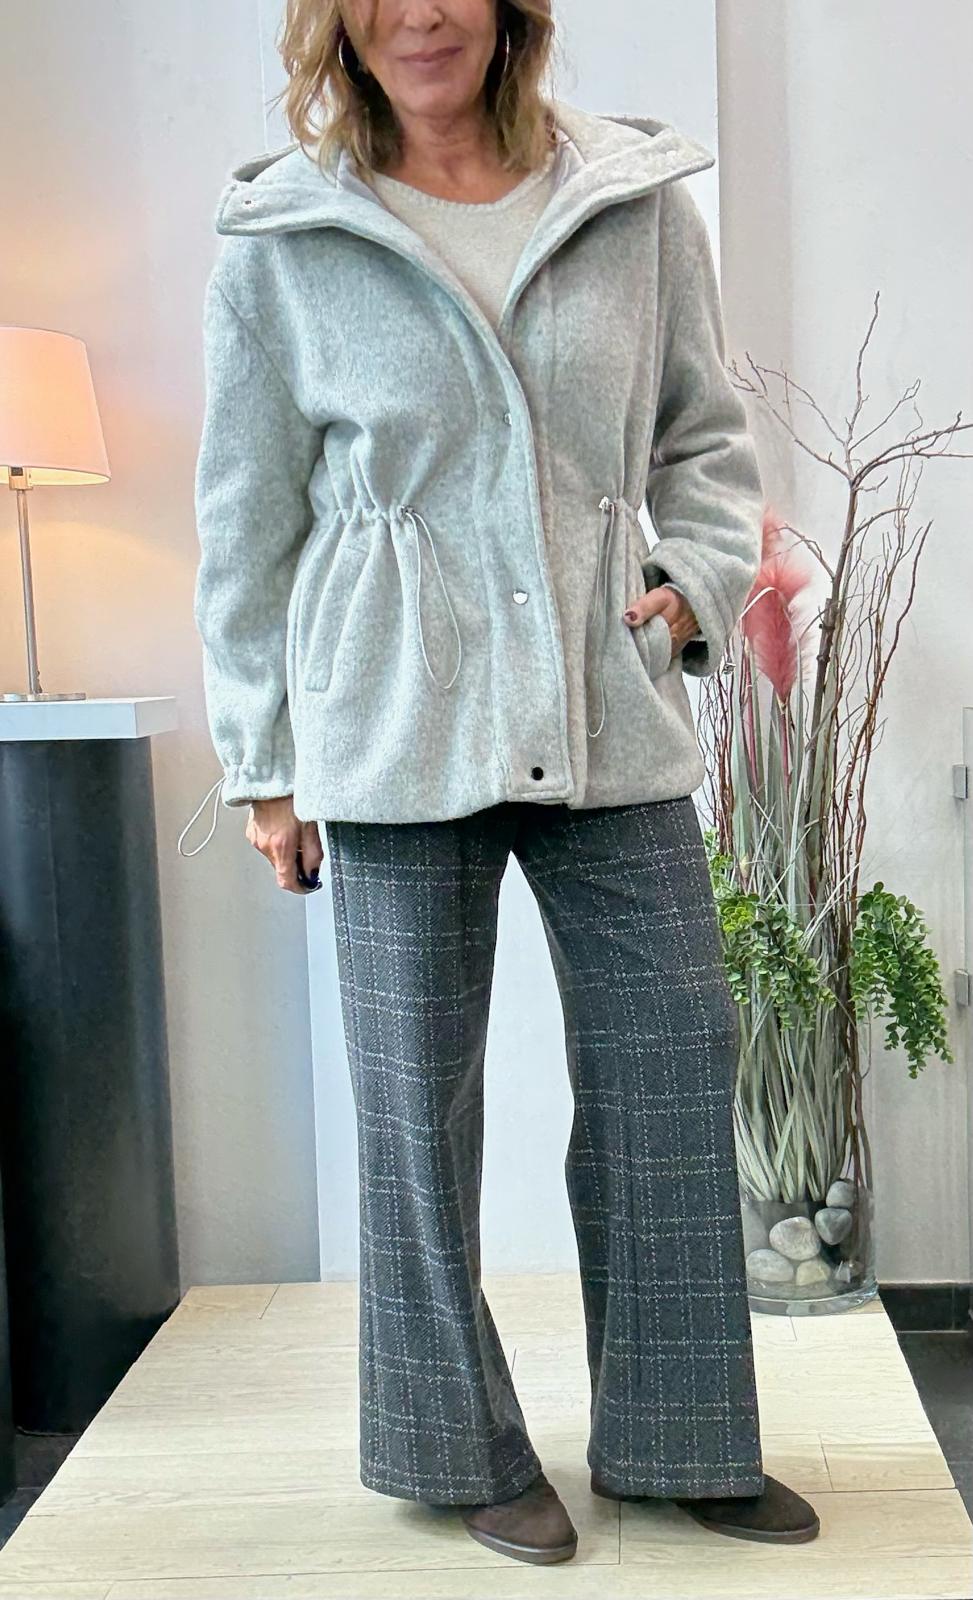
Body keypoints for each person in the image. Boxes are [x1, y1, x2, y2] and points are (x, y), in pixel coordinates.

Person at [177, 0, 821, 1567]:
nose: (421, 14)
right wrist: (263, 765)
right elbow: (246, 518)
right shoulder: (282, 235)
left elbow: (702, 438)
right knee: (411, 1105)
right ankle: (452, 1445)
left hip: (605, 703)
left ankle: (677, 1439)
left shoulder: (630, 202)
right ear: (337, 22)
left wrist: (692, 575)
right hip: (392, 719)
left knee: (671, 1057)